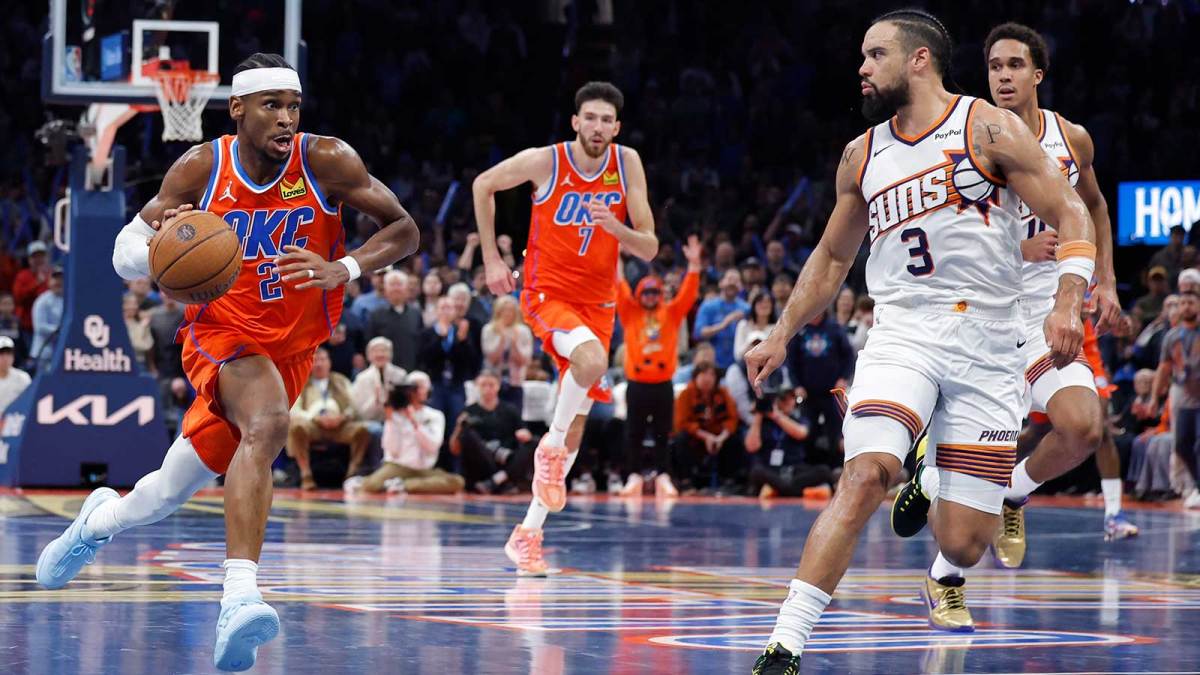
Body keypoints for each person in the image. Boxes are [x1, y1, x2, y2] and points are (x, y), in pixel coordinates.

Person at [36, 53, 418, 672]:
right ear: (237, 108)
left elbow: (404, 229)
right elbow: (122, 250)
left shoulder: (327, 160)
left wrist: (343, 268)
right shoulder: (199, 168)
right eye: (271, 105)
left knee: (163, 493)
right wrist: (161, 246)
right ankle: (238, 597)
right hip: (221, 334)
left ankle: (95, 523)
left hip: (293, 349)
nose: (286, 118)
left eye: (293, 106)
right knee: (268, 425)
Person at [745, 11, 1092, 672]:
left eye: (875, 54)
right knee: (866, 475)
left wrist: (1069, 297)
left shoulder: (987, 126)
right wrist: (781, 333)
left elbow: (1071, 210)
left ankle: (930, 473)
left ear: (919, 60)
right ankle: (785, 644)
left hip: (990, 341)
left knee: (965, 543)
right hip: (903, 330)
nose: (862, 67)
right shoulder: (861, 152)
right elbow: (829, 258)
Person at [889, 23, 1130, 630]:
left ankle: (1013, 491)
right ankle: (946, 576)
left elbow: (1094, 207)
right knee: (970, 493)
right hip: (986, 316)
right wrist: (1018, 251)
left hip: (1050, 307)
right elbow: (944, 238)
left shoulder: (1070, 138)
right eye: (994, 65)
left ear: (1037, 75)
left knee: (1083, 425)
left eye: (1015, 65)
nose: (1002, 75)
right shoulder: (972, 136)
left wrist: (1104, 280)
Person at [473, 81, 657, 576]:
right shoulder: (546, 160)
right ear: (575, 121)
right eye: (589, 118)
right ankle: (548, 447)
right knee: (591, 364)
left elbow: (649, 247)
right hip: (546, 294)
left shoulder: (627, 163)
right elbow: (483, 184)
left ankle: (527, 534)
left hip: (599, 305)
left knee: (578, 419)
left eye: (607, 120)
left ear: (616, 128)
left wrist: (613, 226)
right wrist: (493, 258)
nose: (598, 127)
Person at [616, 236, 702, 497]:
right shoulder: (630, 312)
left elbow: (688, 293)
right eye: (646, 292)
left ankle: (664, 475)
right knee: (634, 433)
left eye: (655, 292)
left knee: (664, 433)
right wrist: (617, 258)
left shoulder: (671, 313)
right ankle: (633, 476)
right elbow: (618, 285)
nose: (651, 296)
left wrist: (694, 265)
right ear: (640, 294)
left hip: (663, 384)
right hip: (637, 384)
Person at [353, 370, 463, 494]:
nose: (416, 391)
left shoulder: (435, 416)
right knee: (371, 485)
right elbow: (392, 450)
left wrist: (415, 423)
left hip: (423, 470)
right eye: (413, 387)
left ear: (428, 389)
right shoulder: (396, 415)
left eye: (420, 387)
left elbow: (433, 446)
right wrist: (390, 421)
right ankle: (369, 481)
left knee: (457, 482)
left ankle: (403, 485)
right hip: (397, 467)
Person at [285, 347, 371, 490]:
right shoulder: (302, 381)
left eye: (323, 360)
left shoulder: (341, 380)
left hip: (339, 425)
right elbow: (294, 409)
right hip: (313, 426)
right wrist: (315, 418)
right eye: (315, 360)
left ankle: (352, 473)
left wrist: (343, 417)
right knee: (296, 428)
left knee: (362, 430)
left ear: (329, 362)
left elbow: (354, 406)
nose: (319, 364)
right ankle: (306, 475)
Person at [450, 370, 534, 494]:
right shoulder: (468, 411)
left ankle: (497, 480)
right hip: (482, 461)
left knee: (534, 442)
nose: (487, 389)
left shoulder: (510, 410)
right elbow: (454, 449)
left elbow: (525, 434)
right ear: (477, 387)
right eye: (483, 385)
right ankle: (500, 481)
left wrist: (525, 435)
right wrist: (458, 427)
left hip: (505, 460)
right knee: (468, 435)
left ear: (498, 386)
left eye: (491, 385)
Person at [1152, 290, 1200, 509]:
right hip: (1184, 396)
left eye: (1191, 302)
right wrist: (1154, 397)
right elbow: (1163, 369)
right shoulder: (1172, 336)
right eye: (1182, 303)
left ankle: (1197, 487)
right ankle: (1196, 486)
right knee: (1181, 444)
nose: (1186, 307)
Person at [746, 387, 834, 498]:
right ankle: (797, 491)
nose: (788, 402)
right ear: (776, 401)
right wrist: (759, 413)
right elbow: (751, 447)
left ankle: (778, 490)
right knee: (756, 471)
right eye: (784, 399)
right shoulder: (763, 422)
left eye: (792, 398)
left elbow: (801, 433)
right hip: (772, 470)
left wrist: (776, 416)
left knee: (823, 470)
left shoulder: (799, 419)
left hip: (795, 470)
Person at [672, 361, 742, 490]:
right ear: (695, 377)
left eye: (711, 375)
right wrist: (705, 437)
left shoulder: (723, 393)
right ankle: (686, 481)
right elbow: (681, 423)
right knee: (680, 438)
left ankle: (728, 481)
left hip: (718, 437)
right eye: (703, 374)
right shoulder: (685, 394)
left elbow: (733, 419)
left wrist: (721, 437)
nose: (707, 378)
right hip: (695, 438)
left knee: (735, 439)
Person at [419, 295, 480, 425]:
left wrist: (462, 342)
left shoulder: (462, 332)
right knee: (435, 421)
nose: (446, 311)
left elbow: (470, 359)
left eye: (449, 308)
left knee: (457, 420)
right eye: (443, 308)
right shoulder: (427, 333)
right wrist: (440, 338)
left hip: (456, 384)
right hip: (435, 383)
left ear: (454, 312)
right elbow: (425, 358)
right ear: (437, 311)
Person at [481, 294, 533, 408]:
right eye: (504, 310)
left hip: (515, 382)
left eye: (510, 310)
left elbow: (525, 360)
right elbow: (491, 359)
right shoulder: (488, 330)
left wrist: (514, 344)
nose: (507, 313)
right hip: (493, 383)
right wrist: (502, 340)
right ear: (498, 311)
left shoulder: (523, 331)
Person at [351, 336, 408, 440]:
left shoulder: (401, 375)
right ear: (369, 355)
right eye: (376, 351)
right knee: (377, 431)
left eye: (384, 350)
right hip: (371, 421)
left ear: (390, 354)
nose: (380, 354)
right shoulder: (361, 379)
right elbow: (359, 413)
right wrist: (375, 400)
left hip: (397, 419)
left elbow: (405, 405)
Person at [694, 269, 750, 370]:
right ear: (721, 283)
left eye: (736, 281)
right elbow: (699, 333)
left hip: (739, 365)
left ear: (741, 286)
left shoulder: (747, 309)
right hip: (712, 365)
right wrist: (723, 325)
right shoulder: (708, 306)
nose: (732, 283)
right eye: (729, 279)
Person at [367, 269, 423, 371]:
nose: (396, 288)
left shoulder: (416, 314)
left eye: (399, 284)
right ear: (385, 289)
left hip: (412, 372)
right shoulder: (376, 315)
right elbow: (369, 345)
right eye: (392, 284)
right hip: (385, 373)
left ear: (406, 288)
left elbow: (421, 345)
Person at [30, 266, 64, 373]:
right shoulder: (42, 301)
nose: (58, 282)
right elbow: (39, 327)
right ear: (49, 281)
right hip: (44, 352)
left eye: (61, 279)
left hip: (61, 351)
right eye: (55, 278)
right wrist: (61, 330)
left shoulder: (68, 300)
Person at [734, 289, 776, 363]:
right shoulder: (743, 325)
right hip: (744, 365)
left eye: (767, 302)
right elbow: (737, 355)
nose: (764, 305)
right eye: (760, 302)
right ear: (754, 305)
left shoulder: (776, 328)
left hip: (769, 367)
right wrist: (752, 342)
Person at [0, 336, 31, 415]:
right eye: (1, 354)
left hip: (15, 422)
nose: (5, 358)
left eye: (8, 353)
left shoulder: (23, 378)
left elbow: (29, 403)